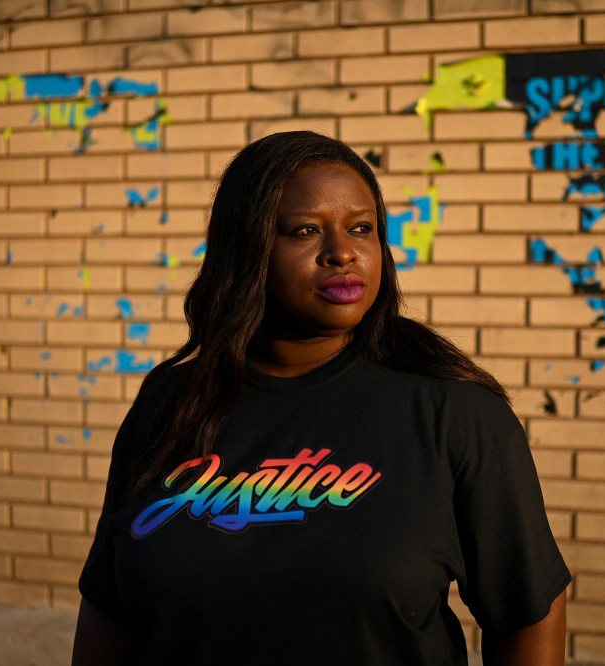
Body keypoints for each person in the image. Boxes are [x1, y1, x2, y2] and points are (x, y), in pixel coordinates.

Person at [72, 131, 570, 665]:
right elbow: (109, 608)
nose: (342, 253)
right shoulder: (169, 406)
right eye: (305, 230)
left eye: (361, 228)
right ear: (247, 246)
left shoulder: (455, 414)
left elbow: (529, 609)